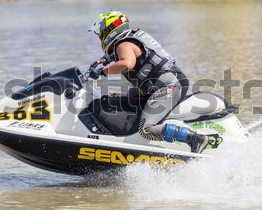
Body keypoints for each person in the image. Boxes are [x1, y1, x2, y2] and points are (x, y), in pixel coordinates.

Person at [87, 11, 211, 153]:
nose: (99, 37)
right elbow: (116, 57)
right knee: (127, 96)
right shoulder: (129, 39)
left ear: (108, 30)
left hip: (168, 85)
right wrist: (102, 62)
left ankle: (195, 138)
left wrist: (102, 71)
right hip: (167, 82)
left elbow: (127, 64)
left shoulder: (123, 44)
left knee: (146, 129)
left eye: (100, 33)